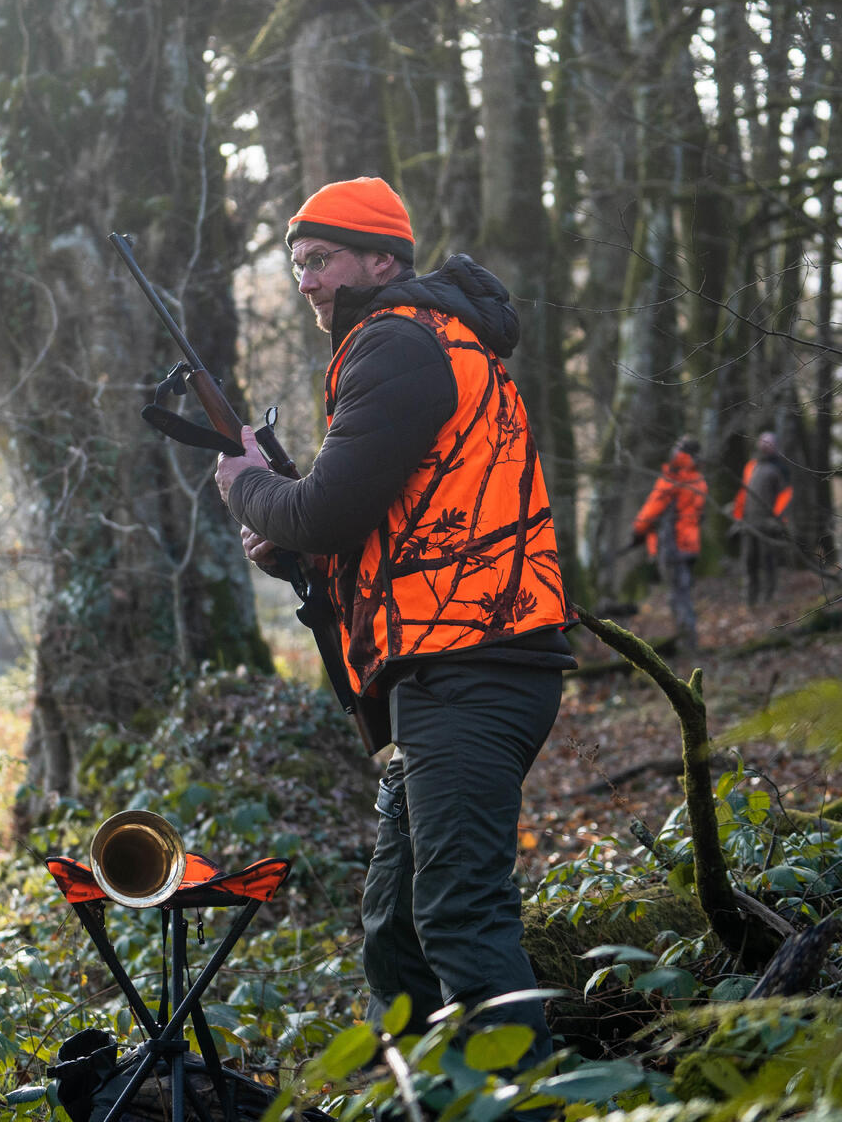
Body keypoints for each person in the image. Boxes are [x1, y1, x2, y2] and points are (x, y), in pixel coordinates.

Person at [212, 176, 573, 1061]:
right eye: (298, 264)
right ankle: (420, 1086)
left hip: (474, 664)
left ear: (383, 259)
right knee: (396, 927)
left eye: (322, 259)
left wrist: (248, 488)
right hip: (451, 663)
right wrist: (298, 550)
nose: (307, 281)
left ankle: (520, 1103)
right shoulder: (422, 344)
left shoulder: (396, 344)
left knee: (458, 910)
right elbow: (389, 527)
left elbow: (330, 509)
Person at [631, 437, 707, 649]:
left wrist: (637, 531)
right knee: (683, 592)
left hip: (672, 546)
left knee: (677, 596)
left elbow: (652, 509)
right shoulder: (698, 480)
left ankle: (687, 641)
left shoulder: (673, 479)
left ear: (682, 453)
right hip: (690, 546)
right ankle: (689, 637)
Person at [731, 431, 793, 606]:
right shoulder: (751, 466)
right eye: (763, 442)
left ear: (775, 445)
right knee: (749, 562)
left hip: (768, 524)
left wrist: (777, 519)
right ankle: (749, 600)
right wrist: (737, 517)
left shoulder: (780, 468)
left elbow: (786, 496)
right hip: (749, 523)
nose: (765, 445)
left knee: (768, 562)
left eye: (769, 442)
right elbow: (743, 493)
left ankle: (769, 599)